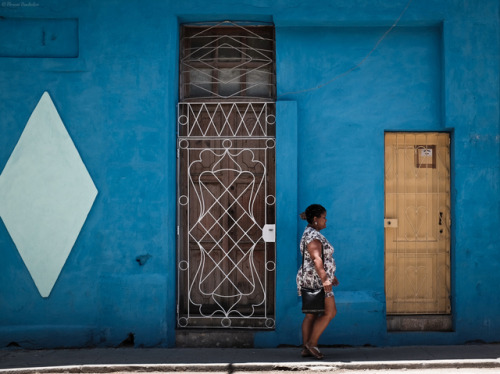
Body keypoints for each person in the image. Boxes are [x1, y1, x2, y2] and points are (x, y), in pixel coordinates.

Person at [296, 204, 339, 359]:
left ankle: (306, 348)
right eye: (323, 217)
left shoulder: (309, 233)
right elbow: (316, 259)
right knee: (330, 312)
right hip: (316, 280)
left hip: (311, 278)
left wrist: (331, 274)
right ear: (315, 219)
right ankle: (312, 343)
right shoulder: (313, 236)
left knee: (310, 315)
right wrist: (325, 279)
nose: (325, 220)